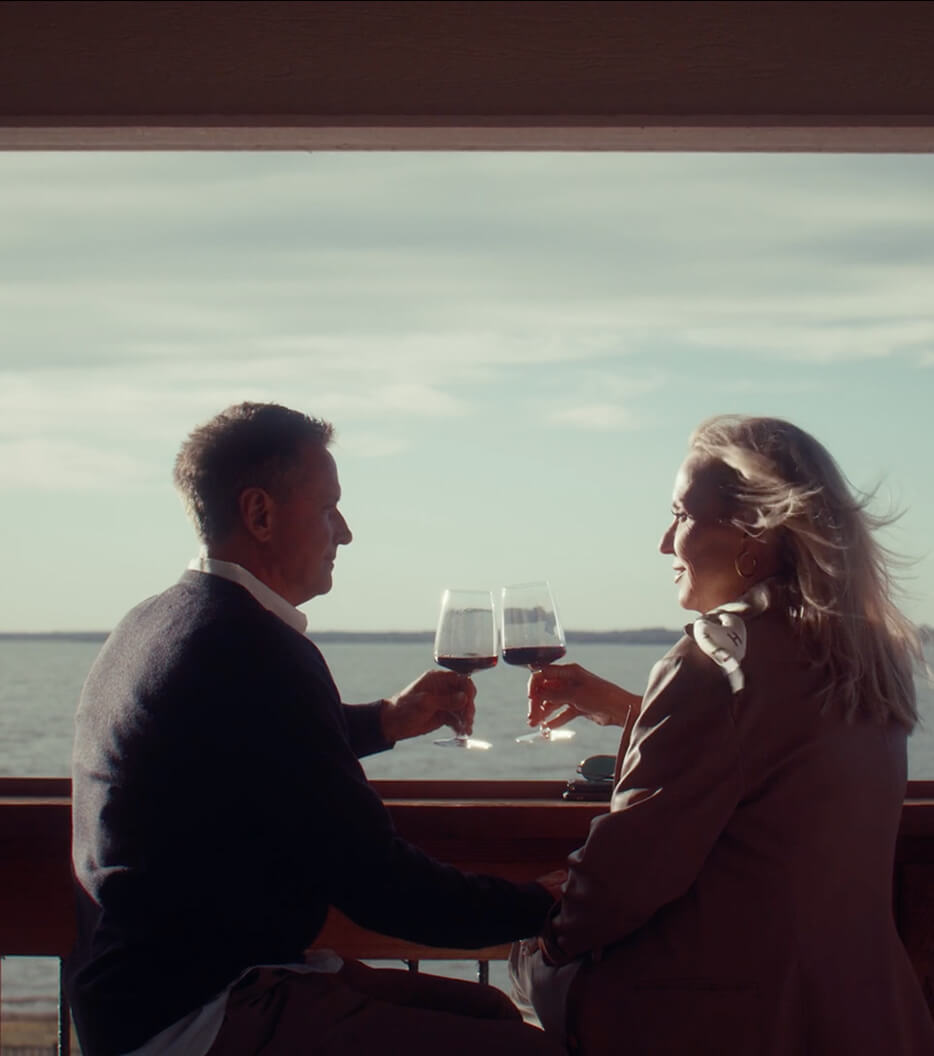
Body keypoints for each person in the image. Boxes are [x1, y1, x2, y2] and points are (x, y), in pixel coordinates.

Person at [67, 402, 566, 1056]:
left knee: (489, 1011)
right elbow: (376, 884)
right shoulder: (255, 648)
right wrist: (545, 907)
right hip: (194, 1011)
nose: (347, 532)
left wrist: (387, 722)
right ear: (260, 514)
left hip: (134, 998)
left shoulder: (158, 622)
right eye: (329, 507)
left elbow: (248, 752)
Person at [511, 414, 934, 1055]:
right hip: (865, 1012)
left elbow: (620, 881)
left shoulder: (717, 660)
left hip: (736, 1023)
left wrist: (546, 933)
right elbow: (775, 770)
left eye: (681, 515)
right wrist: (633, 711)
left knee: (520, 968)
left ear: (754, 535)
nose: (663, 543)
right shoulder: (861, 658)